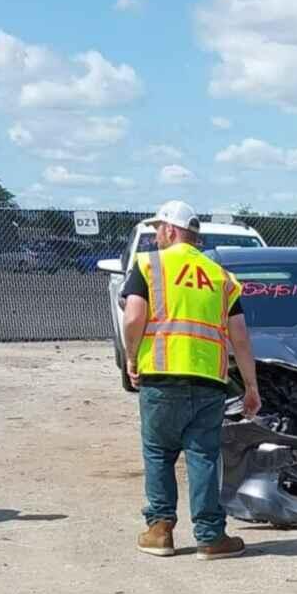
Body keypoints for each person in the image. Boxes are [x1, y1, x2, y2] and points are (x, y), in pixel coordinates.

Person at [119, 199, 260, 559]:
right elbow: (240, 337)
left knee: (159, 453)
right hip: (209, 381)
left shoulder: (149, 265)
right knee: (203, 457)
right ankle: (211, 537)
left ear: (169, 230)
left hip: (162, 378)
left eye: (157, 231)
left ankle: (160, 530)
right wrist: (251, 386)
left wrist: (131, 358)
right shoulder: (220, 277)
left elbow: (134, 317)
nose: (156, 237)